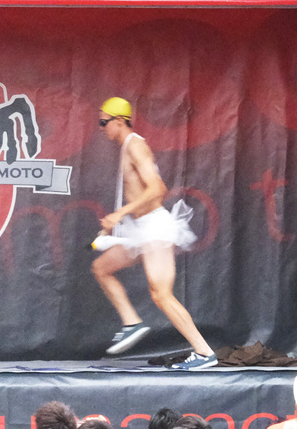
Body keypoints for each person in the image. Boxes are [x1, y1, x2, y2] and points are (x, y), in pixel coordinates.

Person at [91, 96, 217, 370]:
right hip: (141, 230)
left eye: (104, 122)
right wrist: (119, 219)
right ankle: (132, 323)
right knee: (101, 268)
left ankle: (204, 352)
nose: (101, 128)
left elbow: (157, 188)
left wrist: (120, 213)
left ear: (119, 120)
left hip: (155, 228)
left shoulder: (136, 145)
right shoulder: (127, 147)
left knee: (161, 294)